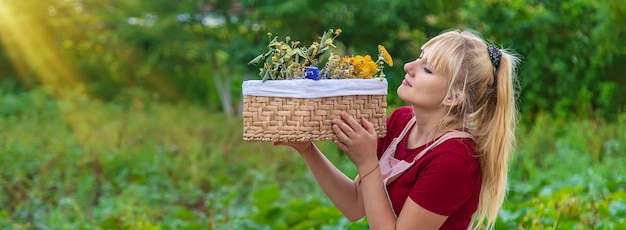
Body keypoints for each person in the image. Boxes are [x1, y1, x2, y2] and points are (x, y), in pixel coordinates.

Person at [274, 29, 520, 230]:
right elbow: (354, 205)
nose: (409, 67)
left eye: (427, 68)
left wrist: (368, 163)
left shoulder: (456, 159)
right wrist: (308, 150)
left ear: (453, 97)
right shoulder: (401, 122)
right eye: (419, 57)